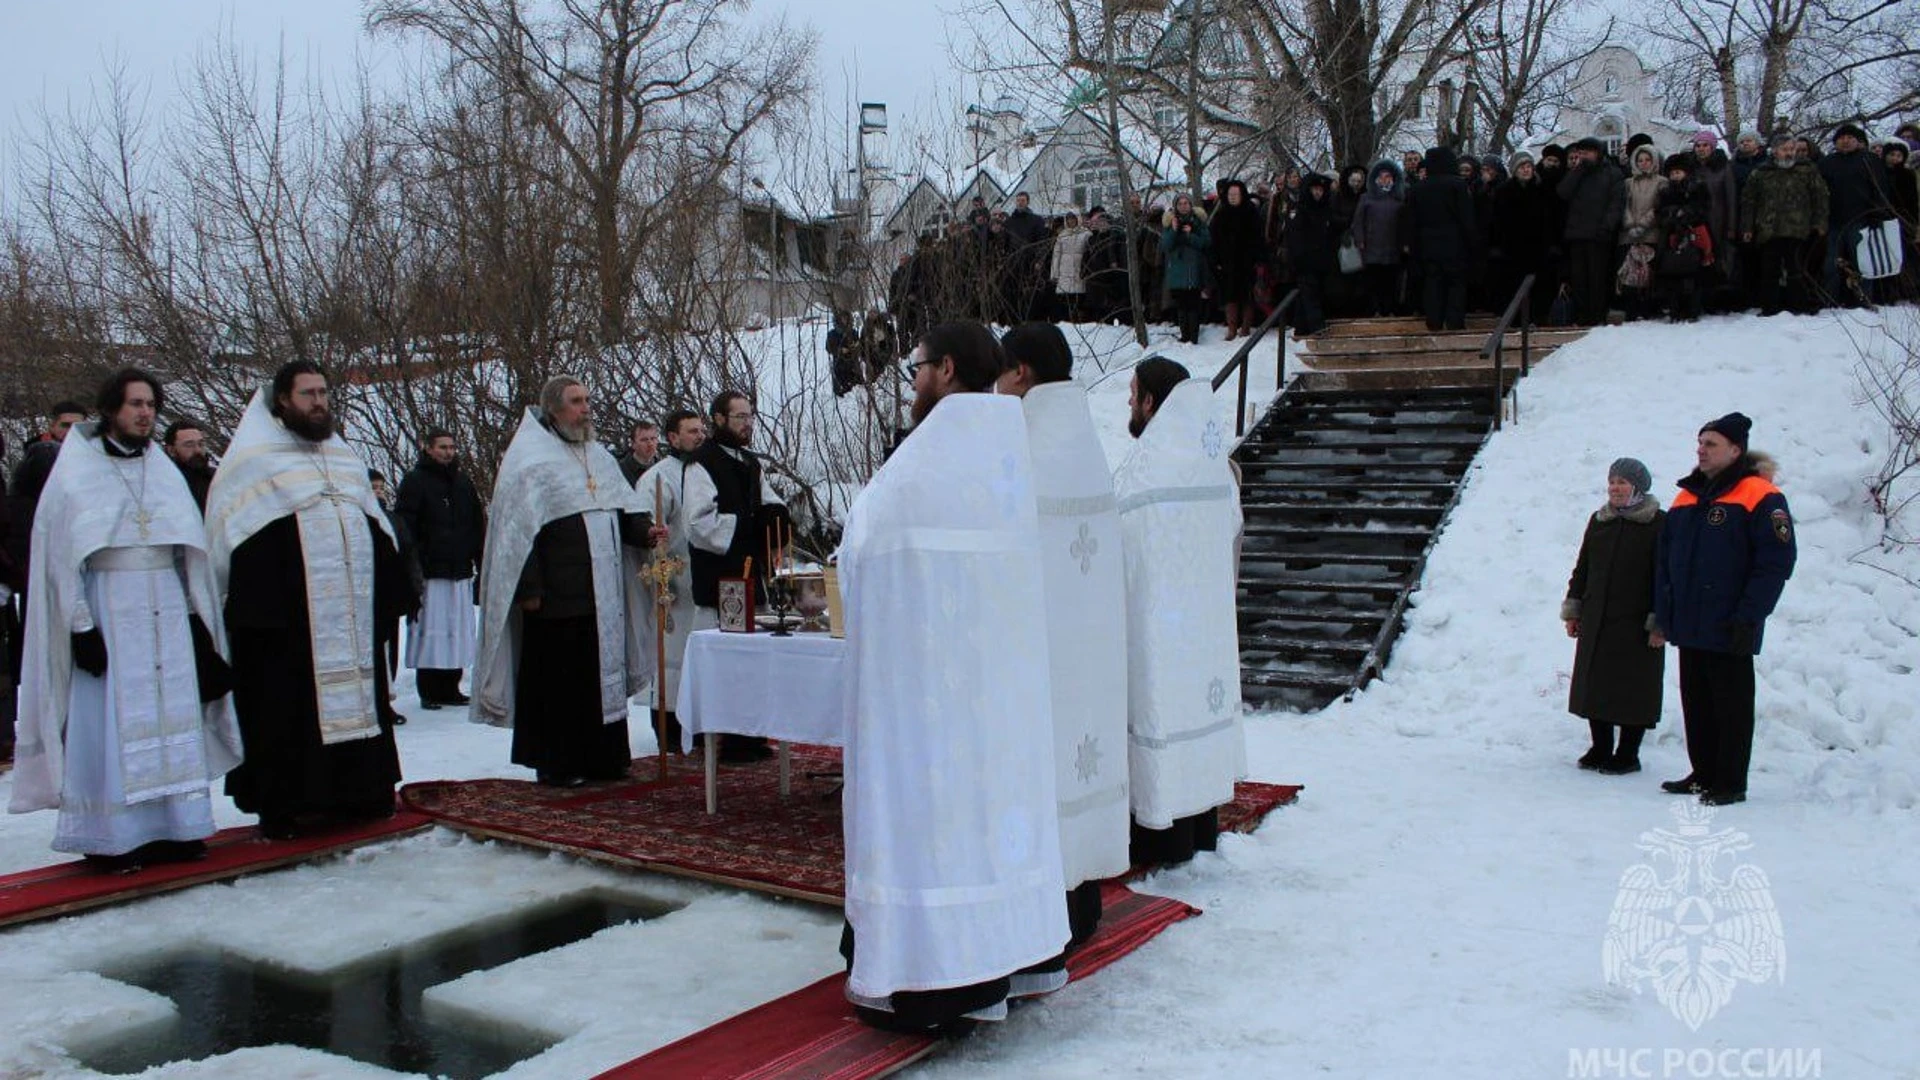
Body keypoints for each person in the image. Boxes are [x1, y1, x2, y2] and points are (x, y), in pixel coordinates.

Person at [837, 320, 1069, 1034]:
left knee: (934, 826)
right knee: (991, 823)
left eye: (915, 371)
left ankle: (930, 977)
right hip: (998, 684)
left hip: (931, 690)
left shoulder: (928, 456)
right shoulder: (1008, 447)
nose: (911, 385)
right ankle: (1005, 954)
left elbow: (864, 544)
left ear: (944, 370)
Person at [9, 369, 242, 871]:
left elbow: (185, 553)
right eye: (135, 404)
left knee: (171, 719)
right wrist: (82, 628)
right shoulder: (77, 471)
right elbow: (62, 562)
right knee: (113, 723)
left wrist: (196, 621)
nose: (145, 413)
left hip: (166, 610)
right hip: (110, 609)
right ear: (112, 409)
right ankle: (113, 836)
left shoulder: (162, 470)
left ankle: (177, 828)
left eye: (152, 405)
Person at [206, 360, 408, 839]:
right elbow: (233, 539)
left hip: (349, 618)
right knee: (286, 707)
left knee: (360, 700)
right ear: (282, 400)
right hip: (285, 622)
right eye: (308, 394)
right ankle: (288, 803)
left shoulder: (342, 458)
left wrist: (391, 591)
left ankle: (359, 791)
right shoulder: (252, 461)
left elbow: (375, 526)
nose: (319, 402)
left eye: (323, 393)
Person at [994, 323, 1129, 951]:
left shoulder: (1023, 440)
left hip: (1042, 640)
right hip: (1088, 637)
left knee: (1042, 761)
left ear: (1020, 372)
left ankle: (1048, 910)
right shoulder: (1080, 438)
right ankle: (1082, 899)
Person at [472, 377, 665, 787]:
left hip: (603, 593)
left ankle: (605, 757)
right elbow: (517, 533)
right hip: (556, 597)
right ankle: (557, 762)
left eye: (588, 400)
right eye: (576, 402)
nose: (586, 409)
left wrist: (644, 532)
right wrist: (529, 590)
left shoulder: (597, 455)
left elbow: (622, 508)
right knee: (558, 684)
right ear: (553, 409)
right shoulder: (530, 460)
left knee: (598, 681)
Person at [1114, 357, 1245, 865]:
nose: (1128, 401)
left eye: (1133, 393)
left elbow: (1116, 539)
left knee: (1162, 714)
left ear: (1151, 402)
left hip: (1159, 631)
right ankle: (1201, 828)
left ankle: (1161, 840)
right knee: (1198, 717)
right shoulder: (1214, 468)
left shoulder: (1143, 470)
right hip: (1206, 626)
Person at [1654, 413, 1797, 806]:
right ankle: (1703, 773)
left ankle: (1730, 782)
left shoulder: (1759, 494)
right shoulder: (1686, 497)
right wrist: (1665, 614)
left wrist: (1750, 615)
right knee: (1696, 701)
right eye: (1699, 443)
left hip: (1731, 621)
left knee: (1730, 705)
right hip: (1690, 622)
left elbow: (1776, 561)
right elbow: (1666, 562)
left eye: (1711, 444)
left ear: (1736, 450)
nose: (1701, 450)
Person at [684, 390, 789, 762]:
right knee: (727, 662)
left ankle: (751, 733)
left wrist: (776, 518)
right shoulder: (701, 464)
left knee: (752, 661)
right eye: (739, 417)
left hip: (750, 573)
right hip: (721, 576)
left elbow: (770, 500)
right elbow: (699, 524)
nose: (747, 424)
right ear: (718, 419)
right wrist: (746, 525)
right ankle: (724, 734)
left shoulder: (750, 463)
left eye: (750, 417)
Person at [1562, 458, 1666, 776]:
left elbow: (1666, 576)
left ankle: (1628, 753)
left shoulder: (1658, 523)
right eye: (1612, 481)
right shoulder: (1600, 521)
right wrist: (1574, 607)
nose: (1615, 488)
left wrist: (1660, 621)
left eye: (1622, 482)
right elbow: (1583, 567)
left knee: (1634, 686)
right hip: (1598, 617)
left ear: (1638, 486)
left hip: (1636, 621)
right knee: (1596, 682)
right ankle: (1601, 747)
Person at [395, 429, 486, 712]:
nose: (448, 452)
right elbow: (406, 524)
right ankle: (429, 689)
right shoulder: (415, 481)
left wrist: (478, 557)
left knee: (456, 629)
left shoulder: (462, 482)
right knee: (431, 630)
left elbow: (475, 522)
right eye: (442, 447)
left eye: (452, 446)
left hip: (458, 567)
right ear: (429, 449)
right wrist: (414, 560)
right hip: (430, 569)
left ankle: (451, 686)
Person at [633, 408, 707, 751]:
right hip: (673, 581)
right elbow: (643, 520)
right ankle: (670, 731)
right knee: (671, 656)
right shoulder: (658, 477)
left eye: (701, 429)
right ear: (673, 438)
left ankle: (703, 725)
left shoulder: (708, 471)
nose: (699, 436)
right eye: (691, 431)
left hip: (704, 581)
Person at [1740, 135, 1830, 317]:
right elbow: (1749, 201)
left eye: (1791, 149)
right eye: (1784, 149)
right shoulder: (1761, 172)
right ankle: (1770, 307)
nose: (1789, 153)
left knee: (1797, 270)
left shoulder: (1807, 170)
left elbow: (1820, 197)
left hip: (1798, 229)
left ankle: (1799, 305)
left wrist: (1820, 222)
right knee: (1769, 271)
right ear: (1774, 151)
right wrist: (1747, 227)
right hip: (1769, 229)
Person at [1817, 123, 1894, 306]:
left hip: (1862, 220)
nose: (1845, 141)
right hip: (1833, 221)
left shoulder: (1869, 160)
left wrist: (1878, 214)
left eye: (1850, 138)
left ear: (1858, 141)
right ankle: (1830, 300)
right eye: (1842, 138)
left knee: (1863, 264)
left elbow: (1880, 190)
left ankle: (1864, 299)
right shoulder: (1827, 163)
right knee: (1831, 264)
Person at [1406, 147, 1476, 331]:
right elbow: (1467, 218)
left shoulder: (1418, 188)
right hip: (1455, 244)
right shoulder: (1458, 185)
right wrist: (1472, 243)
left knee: (1433, 284)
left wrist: (1413, 247)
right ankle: (1454, 322)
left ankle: (1434, 322)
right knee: (1456, 285)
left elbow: (1412, 221)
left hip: (1427, 245)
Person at [1559, 137, 1626, 326]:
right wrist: (1578, 171)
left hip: (1599, 235)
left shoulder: (1612, 174)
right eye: (1580, 153)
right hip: (1576, 235)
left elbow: (1616, 204)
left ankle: (1597, 316)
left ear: (1597, 153)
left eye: (1587, 152)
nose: (1583, 156)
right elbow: (1563, 193)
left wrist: (1607, 227)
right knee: (1579, 279)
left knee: (1598, 279)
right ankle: (1582, 316)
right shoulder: (1577, 173)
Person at [1284, 174, 1340, 336]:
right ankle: (1317, 326)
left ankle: (1301, 328)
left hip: (1322, 261)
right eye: (1315, 189)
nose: (1318, 193)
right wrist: (1298, 260)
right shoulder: (1299, 210)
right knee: (1310, 294)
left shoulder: (1326, 209)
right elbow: (1294, 238)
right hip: (1305, 262)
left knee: (1310, 294)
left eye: (1321, 190)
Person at [1351, 161, 1407, 316]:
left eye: (1388, 176)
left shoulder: (1399, 198)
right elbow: (1358, 221)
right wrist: (1360, 240)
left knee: (1391, 281)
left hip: (1393, 247)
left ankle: (1390, 309)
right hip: (1371, 247)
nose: (1384, 179)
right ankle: (1375, 309)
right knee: (1373, 281)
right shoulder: (1366, 198)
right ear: (1375, 179)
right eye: (1381, 176)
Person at [1211, 180, 1265, 339]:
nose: (1233, 198)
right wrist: (1217, 260)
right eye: (1230, 195)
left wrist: (1258, 259)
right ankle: (1232, 328)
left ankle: (1246, 327)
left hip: (1247, 262)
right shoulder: (1221, 215)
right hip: (1227, 262)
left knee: (1247, 295)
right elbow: (1214, 240)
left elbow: (1259, 238)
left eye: (1236, 194)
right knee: (1230, 296)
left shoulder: (1251, 212)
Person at [1160, 194, 1211, 344]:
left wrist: (1190, 235)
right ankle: (1184, 335)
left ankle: (1194, 336)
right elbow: (1165, 246)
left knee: (1194, 304)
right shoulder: (1170, 223)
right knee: (1181, 305)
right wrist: (1174, 230)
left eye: (1186, 203)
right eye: (1180, 204)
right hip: (1177, 270)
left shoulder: (1198, 222)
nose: (1183, 206)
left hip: (1194, 269)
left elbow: (1206, 242)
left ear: (1190, 205)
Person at [161, 419, 215, 513]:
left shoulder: (217, 478)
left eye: (201, 444)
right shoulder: (165, 486)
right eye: (189, 445)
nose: (197, 450)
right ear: (171, 450)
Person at [1049, 212, 1090, 321]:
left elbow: (1090, 253)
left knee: (1079, 299)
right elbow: (1056, 255)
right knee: (1064, 301)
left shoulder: (1086, 234)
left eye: (1073, 219)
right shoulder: (1062, 235)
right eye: (1068, 219)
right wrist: (1054, 274)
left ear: (1078, 219)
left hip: (1079, 271)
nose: (1070, 221)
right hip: (1064, 271)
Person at [617, 420, 660, 487]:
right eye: (644, 440)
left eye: (653, 439)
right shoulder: (619, 471)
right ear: (633, 444)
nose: (650, 444)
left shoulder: (663, 469)